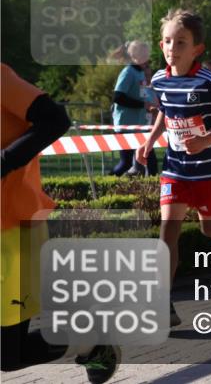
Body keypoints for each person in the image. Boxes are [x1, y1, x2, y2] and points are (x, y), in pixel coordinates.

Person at [137, 10, 211, 328]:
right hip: (175, 168)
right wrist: (150, 141)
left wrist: (206, 140)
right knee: (167, 234)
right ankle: (164, 303)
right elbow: (165, 112)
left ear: (197, 49)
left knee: (209, 227)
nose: (172, 48)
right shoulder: (160, 80)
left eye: (181, 42)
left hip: (209, 169)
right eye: (166, 41)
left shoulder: (206, 81)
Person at [1, 63, 120, 383]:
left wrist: (3, 163)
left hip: (11, 231)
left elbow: (55, 119)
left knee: (6, 356)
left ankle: (92, 342)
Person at [109, 40, 158, 176]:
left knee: (150, 162)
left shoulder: (140, 73)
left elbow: (140, 95)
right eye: (143, 54)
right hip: (126, 126)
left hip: (140, 126)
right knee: (126, 163)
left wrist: (147, 105)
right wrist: (142, 105)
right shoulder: (128, 72)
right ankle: (105, 184)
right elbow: (118, 97)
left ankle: (152, 192)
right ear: (134, 57)